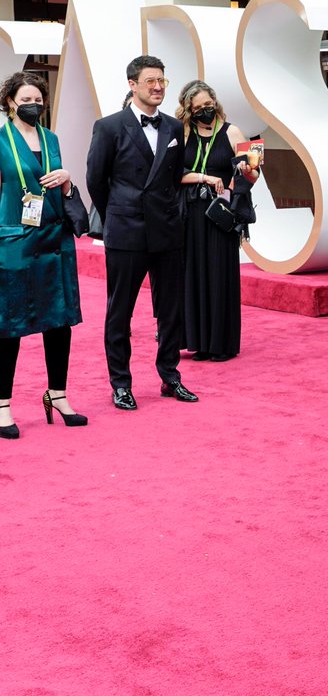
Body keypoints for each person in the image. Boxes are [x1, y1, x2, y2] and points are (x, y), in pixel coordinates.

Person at [86, 55, 197, 410]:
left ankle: (170, 376)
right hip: (126, 230)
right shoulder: (109, 126)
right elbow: (95, 180)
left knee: (170, 310)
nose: (158, 87)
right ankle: (120, 383)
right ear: (132, 85)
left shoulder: (173, 127)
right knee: (120, 312)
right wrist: (118, 214)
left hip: (166, 230)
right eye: (151, 81)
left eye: (162, 80)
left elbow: (174, 177)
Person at [0, 71, 86, 439]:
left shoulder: (51, 139)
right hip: (15, 240)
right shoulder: (1, 140)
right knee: (9, 323)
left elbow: (62, 192)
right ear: (10, 103)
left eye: (38, 100)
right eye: (26, 100)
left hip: (54, 238)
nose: (33, 105)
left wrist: (66, 180)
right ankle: (2, 404)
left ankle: (57, 394)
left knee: (58, 320)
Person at [176, 80, 257, 362]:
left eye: (208, 105)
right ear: (189, 110)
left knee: (220, 274)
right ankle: (199, 342)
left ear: (215, 102)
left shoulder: (233, 131)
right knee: (193, 275)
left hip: (221, 214)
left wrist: (245, 169)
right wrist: (204, 177)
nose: (204, 111)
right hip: (189, 213)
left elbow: (256, 171)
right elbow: (172, 173)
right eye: (198, 108)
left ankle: (221, 344)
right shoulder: (183, 132)